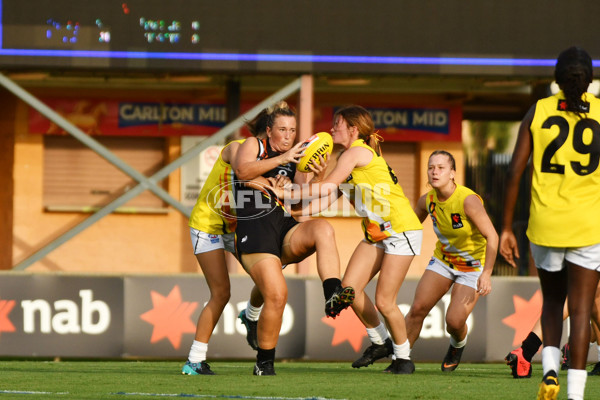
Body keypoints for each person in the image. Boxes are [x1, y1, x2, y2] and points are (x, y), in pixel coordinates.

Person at [271, 105, 423, 374]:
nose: (331, 129)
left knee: (385, 300)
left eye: (337, 124)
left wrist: (287, 191)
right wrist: (290, 210)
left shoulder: (357, 152)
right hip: (377, 231)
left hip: (400, 229)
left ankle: (403, 358)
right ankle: (379, 342)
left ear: (353, 129)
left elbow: (326, 187)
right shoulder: (348, 156)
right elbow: (322, 202)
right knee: (349, 288)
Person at [499, 46, 600, 400]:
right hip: (589, 225)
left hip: (545, 224)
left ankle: (551, 371)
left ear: (556, 78)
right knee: (584, 309)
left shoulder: (538, 110)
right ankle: (575, 395)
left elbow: (515, 170)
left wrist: (507, 227)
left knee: (553, 303)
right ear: (590, 78)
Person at [231, 101, 354, 376]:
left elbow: (299, 204)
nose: (288, 136)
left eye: (293, 131)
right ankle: (264, 363)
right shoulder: (254, 146)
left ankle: (333, 293)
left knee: (322, 228)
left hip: (283, 226)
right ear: (269, 130)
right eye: (282, 130)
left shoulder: (296, 159)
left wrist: (317, 174)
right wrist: (280, 161)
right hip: (255, 227)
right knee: (277, 294)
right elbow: (242, 172)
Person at [181, 107, 273, 375]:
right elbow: (244, 171)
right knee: (221, 293)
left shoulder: (266, 157)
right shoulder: (239, 148)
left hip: (233, 228)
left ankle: (251, 315)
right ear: (263, 135)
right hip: (207, 225)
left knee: (271, 277)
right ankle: (194, 361)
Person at [403, 150, 498, 372]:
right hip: (443, 260)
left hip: (473, 267)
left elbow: (493, 236)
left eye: (441, 168)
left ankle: (457, 345)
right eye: (431, 167)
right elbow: (408, 227)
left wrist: (487, 273)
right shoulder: (427, 200)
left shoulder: (468, 200)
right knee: (417, 309)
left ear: (453, 173)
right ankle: (401, 359)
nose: (434, 172)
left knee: (454, 322)